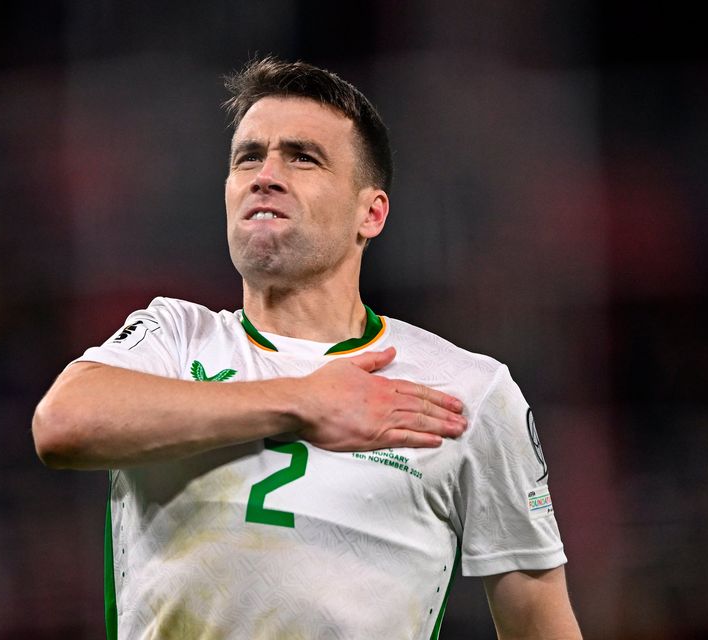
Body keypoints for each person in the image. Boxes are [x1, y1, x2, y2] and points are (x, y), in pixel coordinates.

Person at [33, 57, 582, 639]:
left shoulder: (467, 389)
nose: (264, 175)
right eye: (248, 156)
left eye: (302, 156)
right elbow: (61, 425)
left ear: (370, 213)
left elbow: (538, 619)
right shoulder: (173, 336)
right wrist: (304, 400)